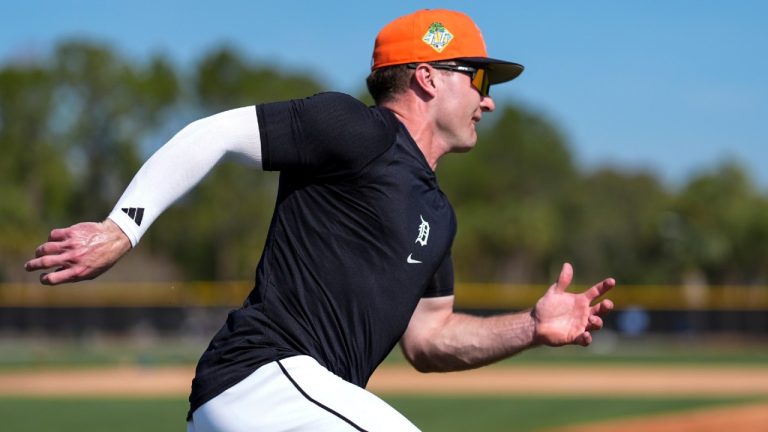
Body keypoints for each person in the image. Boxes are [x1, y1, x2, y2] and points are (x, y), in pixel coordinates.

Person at [25, 9, 615, 432]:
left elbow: (429, 342)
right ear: (429, 77)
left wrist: (530, 328)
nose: (489, 100)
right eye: (479, 79)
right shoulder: (355, 129)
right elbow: (212, 134)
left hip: (287, 406)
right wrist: (122, 226)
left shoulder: (438, 213)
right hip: (261, 380)